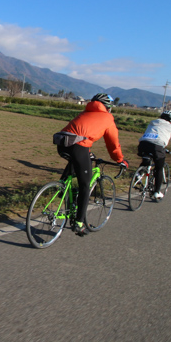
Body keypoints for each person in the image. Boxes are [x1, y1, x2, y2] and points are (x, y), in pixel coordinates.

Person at [54, 93, 129, 236]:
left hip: (62, 142)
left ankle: (62, 187)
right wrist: (120, 160)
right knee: (85, 185)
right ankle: (79, 223)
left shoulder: (86, 112)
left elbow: (82, 133)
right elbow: (113, 144)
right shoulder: (107, 118)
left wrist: (87, 152)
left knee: (77, 160)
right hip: (78, 146)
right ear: (108, 107)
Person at [137, 110, 171, 199]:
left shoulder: (152, 122)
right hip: (157, 146)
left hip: (143, 144)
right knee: (159, 168)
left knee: (146, 159)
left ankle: (139, 174)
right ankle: (157, 192)